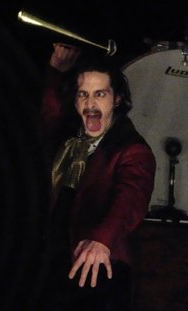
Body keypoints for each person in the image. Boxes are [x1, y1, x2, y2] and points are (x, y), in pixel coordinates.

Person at [40, 43, 156, 311]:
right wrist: (56, 72)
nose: (90, 103)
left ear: (116, 99)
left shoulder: (132, 149)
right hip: (55, 259)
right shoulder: (70, 139)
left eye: (100, 94)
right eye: (83, 94)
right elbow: (50, 117)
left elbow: (130, 199)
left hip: (99, 265)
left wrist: (102, 239)